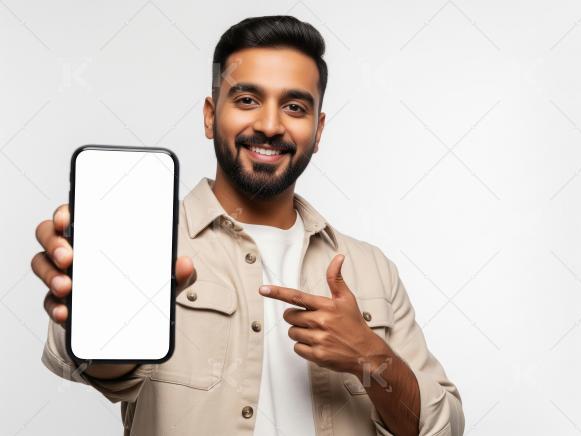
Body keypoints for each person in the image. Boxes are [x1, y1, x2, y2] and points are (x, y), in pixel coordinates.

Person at [33, 15, 464, 436]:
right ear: (210, 116)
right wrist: (92, 306)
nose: (270, 125)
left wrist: (370, 356)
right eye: (246, 100)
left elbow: (440, 427)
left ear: (318, 130)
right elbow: (100, 370)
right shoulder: (144, 241)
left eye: (294, 107)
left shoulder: (371, 268)